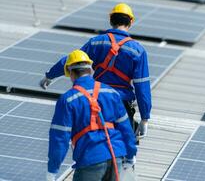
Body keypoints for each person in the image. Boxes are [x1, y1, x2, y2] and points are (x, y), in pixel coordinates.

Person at [41, 3, 151, 140]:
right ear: (131, 22)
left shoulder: (96, 42)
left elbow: (72, 60)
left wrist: (50, 75)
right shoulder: (137, 50)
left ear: (111, 20)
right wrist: (145, 118)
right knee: (124, 144)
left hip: (96, 99)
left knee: (93, 140)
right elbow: (142, 86)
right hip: (121, 103)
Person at [46, 50, 137, 181]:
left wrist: (52, 170)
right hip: (116, 156)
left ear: (70, 73)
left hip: (90, 159)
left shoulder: (68, 100)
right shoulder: (111, 92)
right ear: (90, 70)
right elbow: (125, 128)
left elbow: (60, 138)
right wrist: (130, 155)